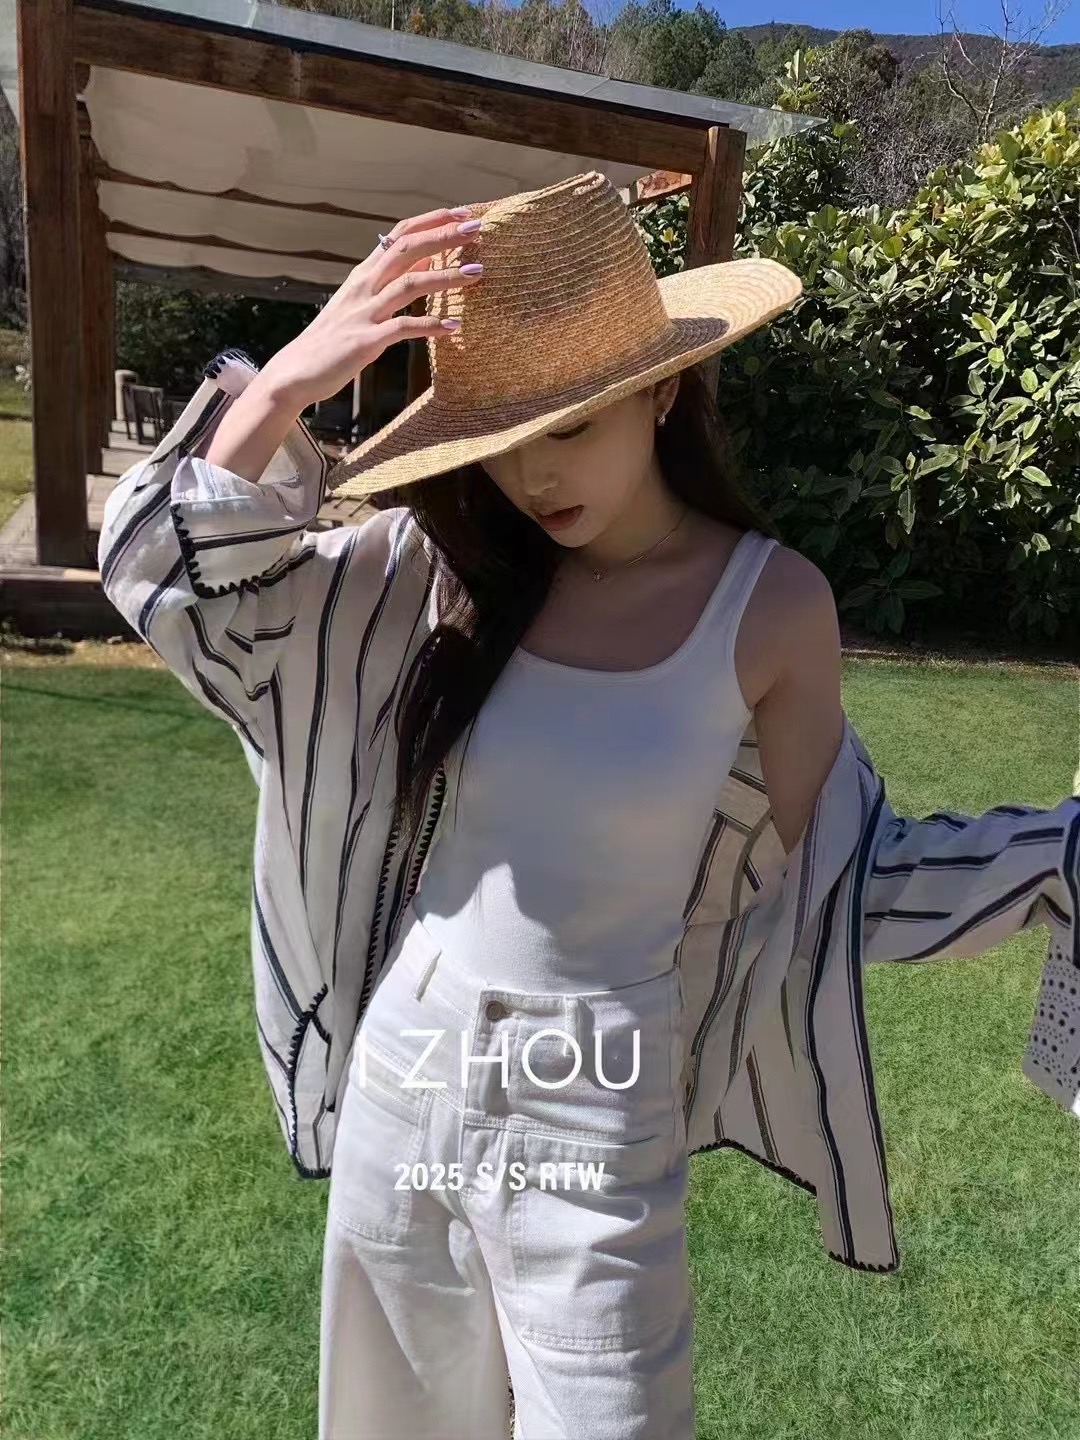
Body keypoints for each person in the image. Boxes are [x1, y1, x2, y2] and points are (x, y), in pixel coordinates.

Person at [98, 172, 1079, 1440]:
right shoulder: (441, 572)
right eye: (499, 435)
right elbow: (189, 590)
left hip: (597, 1095)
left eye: (568, 424)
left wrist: (1049, 856)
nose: (531, 474)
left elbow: (842, 865)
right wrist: (284, 384)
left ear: (662, 390)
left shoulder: (771, 607)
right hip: (409, 1064)